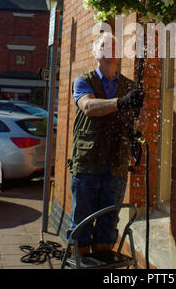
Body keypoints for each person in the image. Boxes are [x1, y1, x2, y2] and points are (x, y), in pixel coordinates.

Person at [67, 31, 145, 256]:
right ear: (94, 52)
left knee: (108, 224)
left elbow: (142, 121)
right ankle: (78, 261)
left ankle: (102, 262)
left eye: (113, 47)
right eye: (103, 46)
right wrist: (121, 103)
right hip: (87, 164)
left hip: (117, 165)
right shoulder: (83, 81)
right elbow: (89, 107)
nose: (108, 51)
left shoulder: (131, 87)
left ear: (119, 54)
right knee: (81, 223)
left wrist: (140, 123)